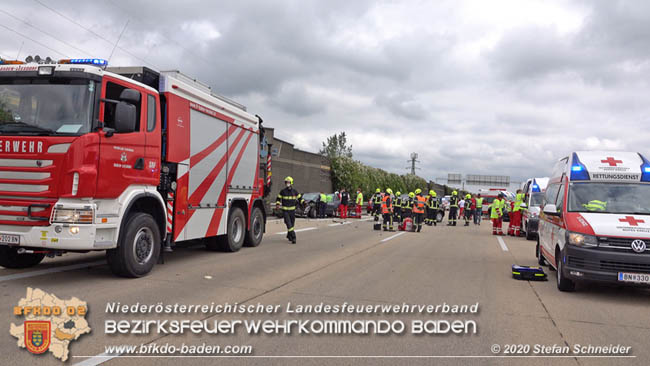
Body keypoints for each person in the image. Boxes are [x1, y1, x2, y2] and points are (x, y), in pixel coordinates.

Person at [276, 176, 305, 244]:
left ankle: (289, 235)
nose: (287, 183)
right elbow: (278, 198)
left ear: (291, 183)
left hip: (292, 211)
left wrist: (304, 203)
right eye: (286, 182)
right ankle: (293, 237)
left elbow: (300, 198)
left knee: (292, 224)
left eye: (288, 182)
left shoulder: (295, 191)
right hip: (285, 211)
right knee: (289, 224)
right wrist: (277, 204)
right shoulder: (282, 191)